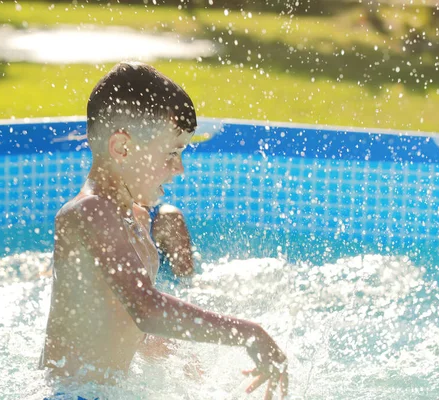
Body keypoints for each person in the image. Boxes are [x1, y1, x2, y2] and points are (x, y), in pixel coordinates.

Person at [40, 62, 288, 399]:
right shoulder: (88, 212)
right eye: (172, 152)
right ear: (122, 148)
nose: (179, 168)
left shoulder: (135, 219)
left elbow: (124, 320)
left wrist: (184, 365)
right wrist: (248, 333)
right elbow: (146, 309)